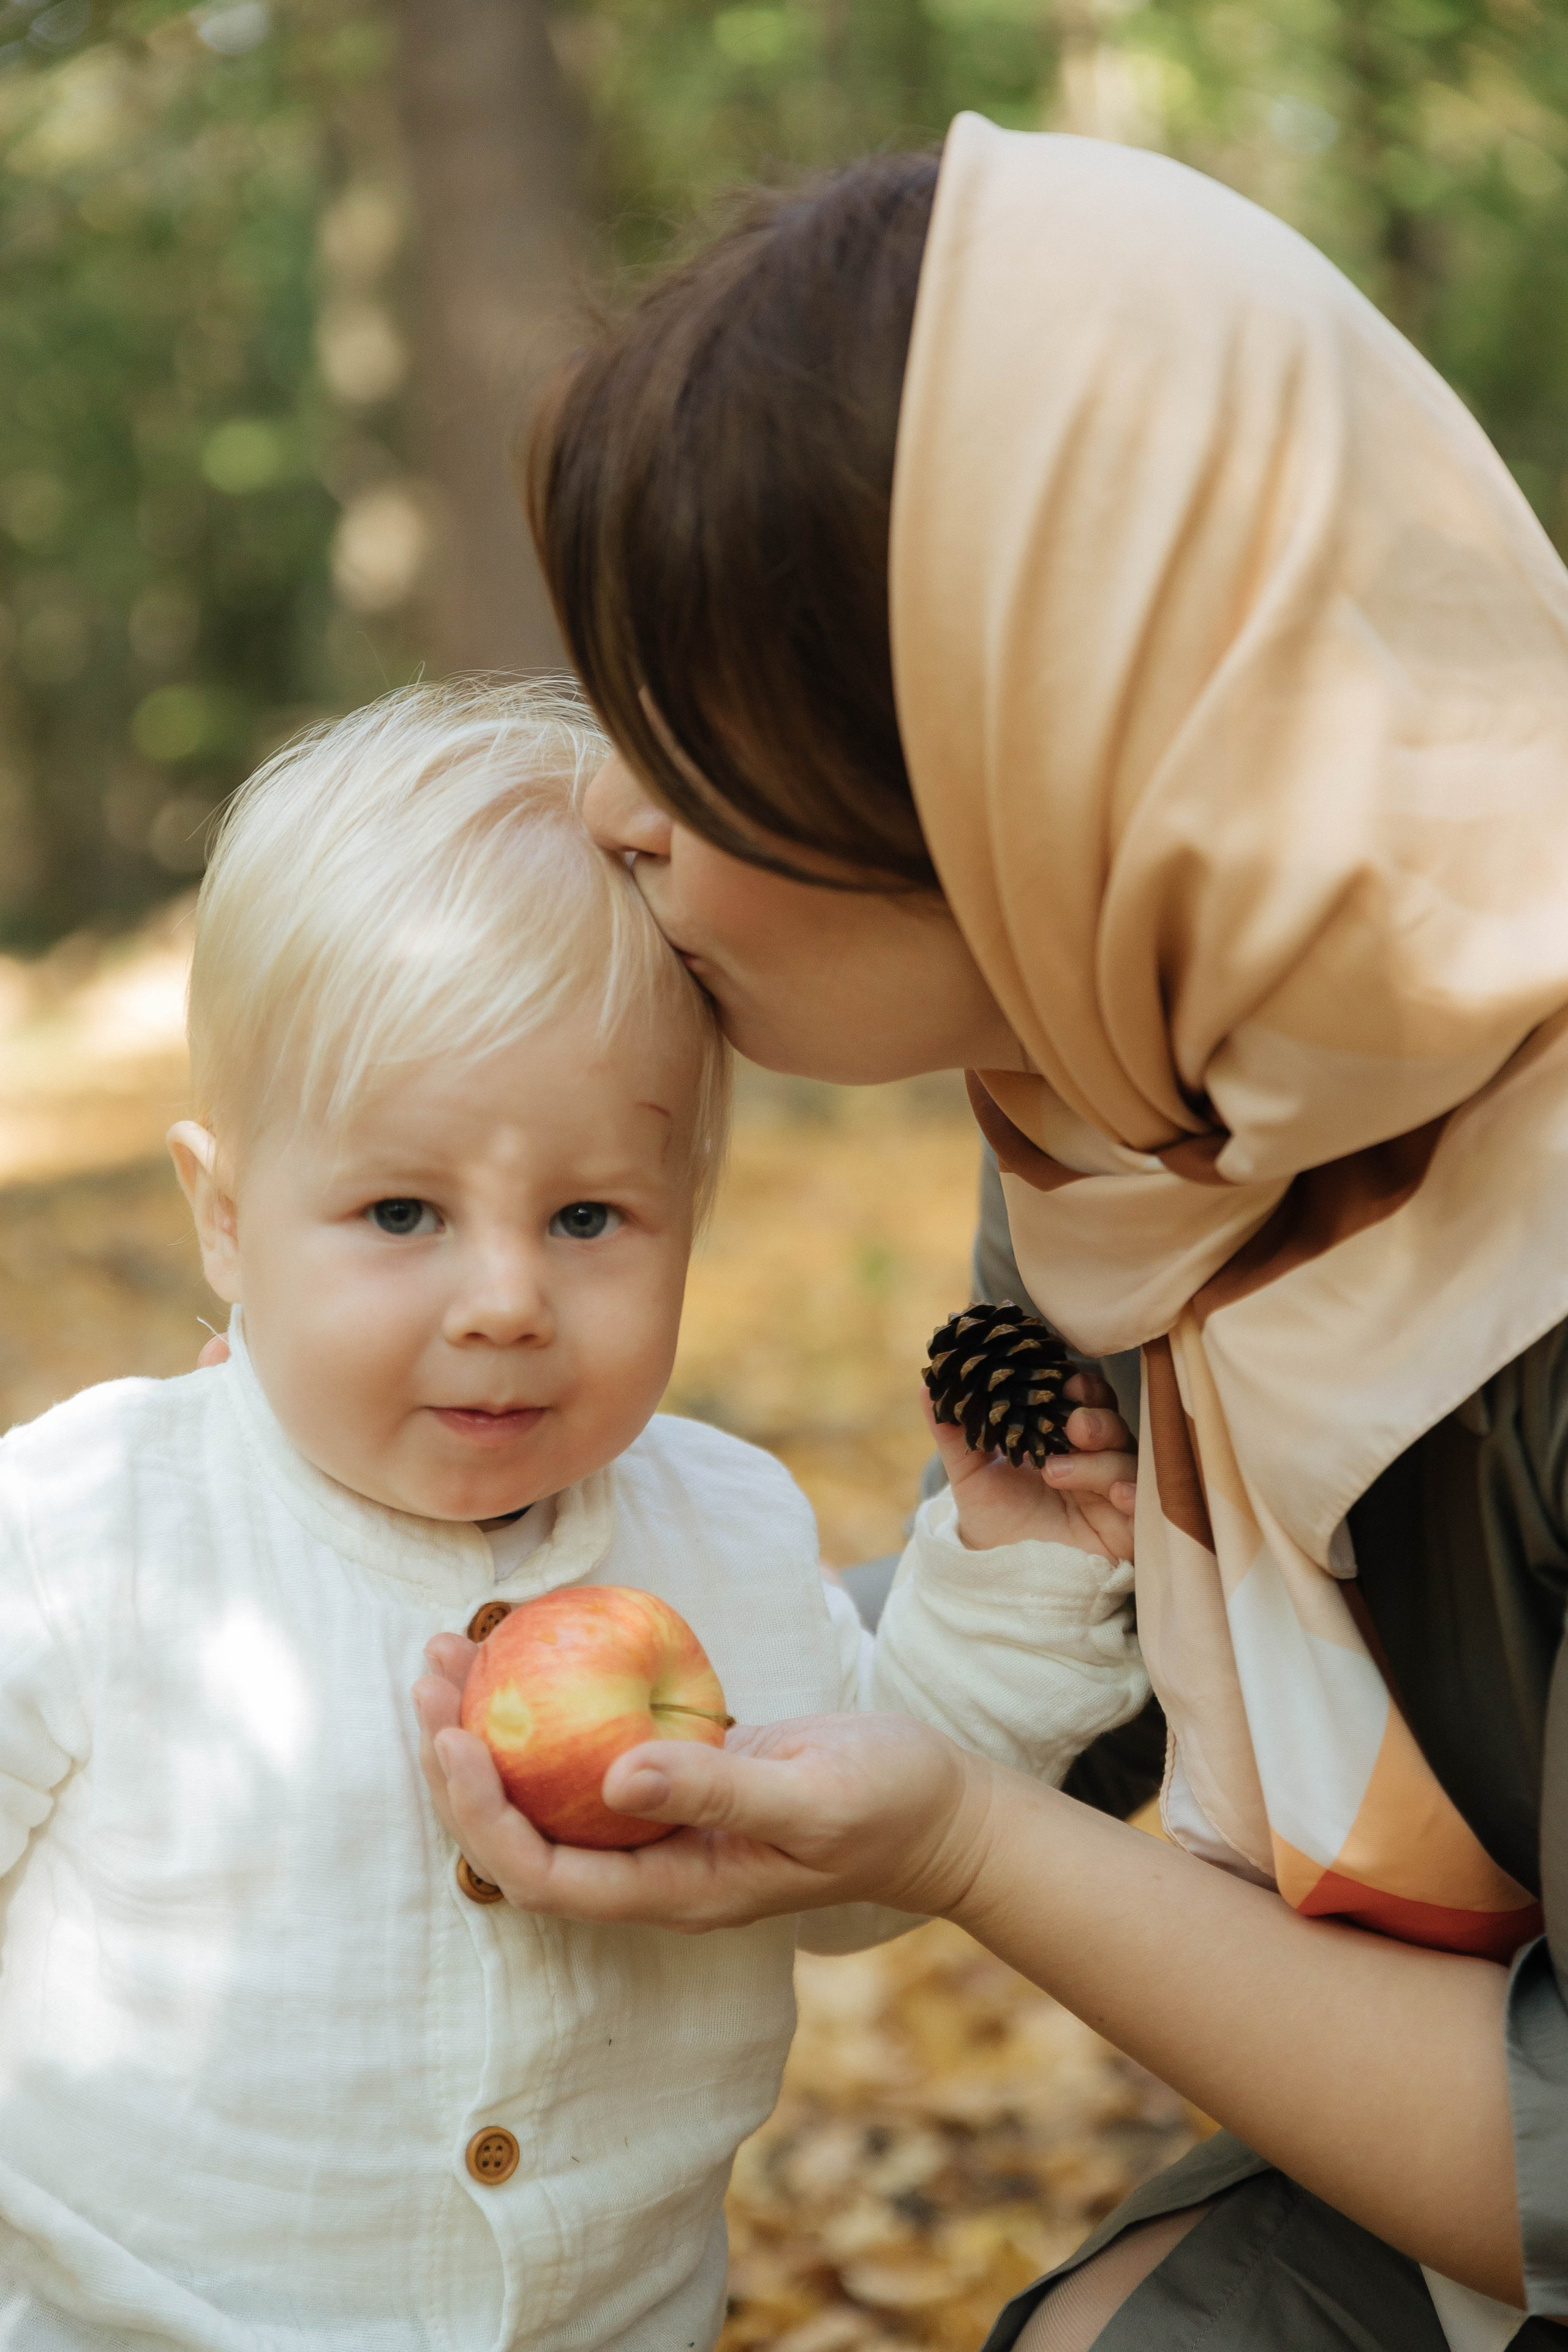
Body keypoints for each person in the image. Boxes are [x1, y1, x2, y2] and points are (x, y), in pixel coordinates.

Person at [418, 116, 1568, 2352]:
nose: (607, 805)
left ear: (1015, 742)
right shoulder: (1128, 1095)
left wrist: (951, 1840)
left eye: (684, 727)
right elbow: (1083, 1634)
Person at [0, 679, 1147, 2351]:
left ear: (691, 1211)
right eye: (401, 1210)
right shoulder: (89, 1531)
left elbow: (857, 1864)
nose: (506, 1299)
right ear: (227, 1218)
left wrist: (1013, 1582)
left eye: (591, 1215)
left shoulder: (723, 1530)